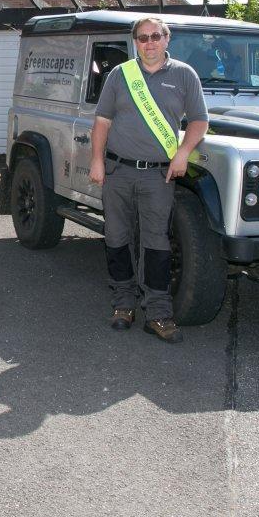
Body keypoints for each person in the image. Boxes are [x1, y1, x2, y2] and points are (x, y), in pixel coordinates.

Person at [88, 17, 209, 343]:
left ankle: (157, 313)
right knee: (117, 238)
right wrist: (97, 160)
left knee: (156, 243)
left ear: (167, 39)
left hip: (158, 174)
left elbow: (199, 120)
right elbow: (101, 121)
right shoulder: (120, 75)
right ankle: (123, 305)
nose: (149, 42)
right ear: (135, 42)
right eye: (143, 38)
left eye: (156, 36)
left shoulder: (184, 75)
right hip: (118, 171)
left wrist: (184, 152)